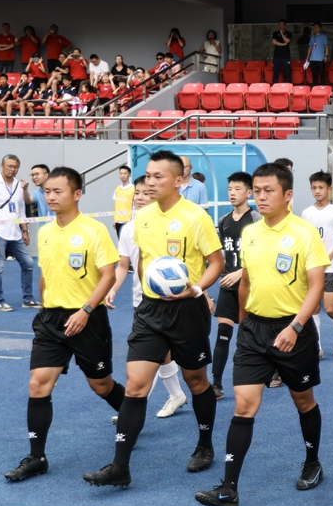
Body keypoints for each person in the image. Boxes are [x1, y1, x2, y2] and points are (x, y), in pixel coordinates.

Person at [84, 150, 225, 488]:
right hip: (150, 311)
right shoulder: (142, 219)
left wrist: (196, 289)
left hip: (187, 309)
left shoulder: (196, 217)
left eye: (158, 176)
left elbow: (217, 263)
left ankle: (205, 445)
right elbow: (142, 261)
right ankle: (121, 465)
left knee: (196, 381)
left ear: (178, 180)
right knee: (135, 384)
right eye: (147, 176)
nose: (150, 181)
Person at [194, 163, 330, 506]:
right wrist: (243, 319)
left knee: (304, 401)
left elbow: (316, 287)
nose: (261, 196)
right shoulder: (250, 233)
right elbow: (247, 280)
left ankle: (312, 462)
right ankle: (228, 488)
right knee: (244, 406)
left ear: (287, 195)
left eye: (269, 190)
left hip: (293, 330)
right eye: (257, 190)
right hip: (254, 330)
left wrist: (296, 327)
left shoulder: (304, 233)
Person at [3, 167, 124, 482]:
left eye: (58, 191)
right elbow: (47, 274)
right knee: (37, 384)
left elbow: (108, 274)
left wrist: (85, 309)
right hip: (51, 320)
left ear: (77, 194)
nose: (51, 196)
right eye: (47, 191)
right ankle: (36, 457)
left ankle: (130, 413)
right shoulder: (45, 231)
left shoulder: (94, 230)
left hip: (88, 317)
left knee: (100, 385)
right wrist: (45, 307)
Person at [104, 175, 190, 420]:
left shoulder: (169, 224)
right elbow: (123, 265)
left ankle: (129, 410)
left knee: (147, 357)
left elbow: (182, 266)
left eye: (146, 193)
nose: (141, 198)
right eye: (137, 193)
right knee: (159, 354)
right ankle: (176, 395)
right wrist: (112, 288)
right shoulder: (128, 228)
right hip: (140, 301)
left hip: (170, 302)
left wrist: (200, 292)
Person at [212, 173, 261, 399]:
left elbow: (263, 255)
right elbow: (223, 254)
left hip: (252, 286)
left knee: (252, 334)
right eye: (230, 189)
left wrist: (242, 272)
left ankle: (271, 371)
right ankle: (217, 383)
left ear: (249, 193)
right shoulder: (223, 221)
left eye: (238, 189)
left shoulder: (257, 220)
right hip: (228, 286)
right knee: (223, 333)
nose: (232, 193)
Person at [301, 170, 333, 355]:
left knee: (330, 308)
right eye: (314, 188)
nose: (317, 191)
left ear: (329, 189)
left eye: (320, 187)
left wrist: (327, 257)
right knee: (313, 307)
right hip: (312, 267)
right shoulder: (306, 213)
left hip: (332, 267)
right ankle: (317, 346)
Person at [0, 155, 38, 312]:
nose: (13, 169)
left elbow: (21, 210)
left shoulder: (19, 185)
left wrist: (24, 230)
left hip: (15, 233)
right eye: (10, 166)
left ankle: (28, 299)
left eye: (16, 167)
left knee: (28, 263)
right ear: (2, 166)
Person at [112, 165, 134, 237]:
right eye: (121, 173)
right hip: (118, 221)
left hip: (128, 221)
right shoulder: (117, 188)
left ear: (129, 175)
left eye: (125, 173)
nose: (123, 175)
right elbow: (116, 205)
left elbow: (135, 205)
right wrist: (114, 220)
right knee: (121, 242)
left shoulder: (133, 189)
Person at [271, 19, 293, 84]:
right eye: (280, 25)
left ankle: (289, 86)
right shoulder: (275, 33)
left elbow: (288, 41)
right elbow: (274, 42)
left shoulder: (289, 33)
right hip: (277, 56)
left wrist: (282, 34)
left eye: (283, 25)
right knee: (276, 72)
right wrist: (283, 44)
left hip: (286, 56)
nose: (281, 26)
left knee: (287, 72)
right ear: (278, 25)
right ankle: (274, 86)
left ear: (285, 26)